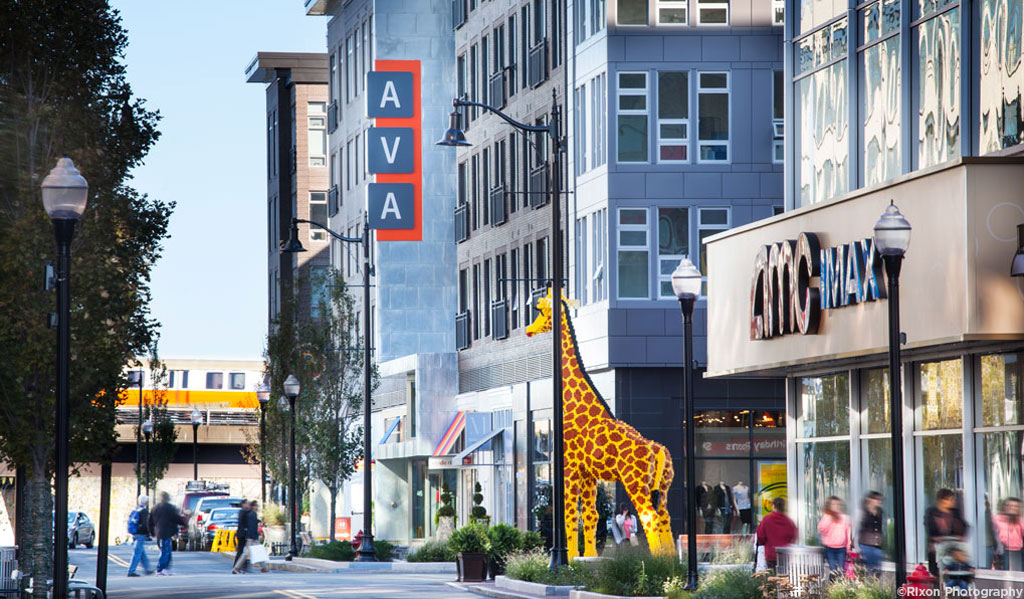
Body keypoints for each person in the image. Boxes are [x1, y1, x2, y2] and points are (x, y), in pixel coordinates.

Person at [925, 489, 968, 576]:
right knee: (937, 564)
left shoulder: (955, 513)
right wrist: (935, 539)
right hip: (938, 547)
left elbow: (964, 527)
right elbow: (930, 528)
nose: (953, 502)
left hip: (953, 548)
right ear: (942, 500)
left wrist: (960, 537)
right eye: (951, 499)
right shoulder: (932, 512)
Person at [149, 491, 186, 576]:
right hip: (166, 532)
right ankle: (160, 569)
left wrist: (152, 532)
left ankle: (166, 568)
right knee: (165, 551)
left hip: (159, 532)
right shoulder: (170, 508)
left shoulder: (155, 508)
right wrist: (184, 525)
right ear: (167, 498)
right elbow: (177, 518)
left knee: (167, 551)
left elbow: (150, 521)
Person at [756, 497, 798, 572]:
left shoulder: (766, 519)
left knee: (772, 574)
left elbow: (760, 537)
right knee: (785, 574)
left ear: (773, 506)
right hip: (786, 554)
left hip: (771, 554)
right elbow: (793, 536)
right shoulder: (788, 521)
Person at [817, 496, 852, 578]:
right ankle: (832, 584)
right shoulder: (827, 517)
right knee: (833, 569)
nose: (836, 506)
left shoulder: (844, 518)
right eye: (833, 504)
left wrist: (848, 546)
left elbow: (848, 532)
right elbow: (821, 528)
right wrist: (829, 518)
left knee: (841, 569)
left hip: (841, 548)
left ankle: (840, 584)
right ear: (829, 506)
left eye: (837, 504)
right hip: (830, 548)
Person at [234, 500, 265, 573]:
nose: (257, 507)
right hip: (251, 537)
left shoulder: (249, 513)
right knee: (247, 553)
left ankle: (263, 567)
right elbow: (251, 526)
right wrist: (253, 537)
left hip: (250, 536)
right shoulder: (251, 514)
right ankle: (237, 567)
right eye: (256, 506)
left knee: (252, 552)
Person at [858, 491, 885, 576]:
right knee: (869, 568)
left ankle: (875, 582)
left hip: (877, 545)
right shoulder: (863, 512)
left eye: (880, 500)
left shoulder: (880, 512)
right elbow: (858, 526)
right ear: (870, 500)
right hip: (866, 544)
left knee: (877, 570)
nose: (879, 502)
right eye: (877, 499)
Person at [126, 495, 154, 577]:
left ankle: (147, 569)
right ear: (146, 502)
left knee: (141, 552)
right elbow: (146, 524)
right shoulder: (144, 511)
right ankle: (131, 571)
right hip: (141, 534)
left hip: (135, 533)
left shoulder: (136, 509)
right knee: (137, 552)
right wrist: (149, 533)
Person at [993, 497, 1023, 571]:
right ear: (1004, 507)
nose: (1013, 508)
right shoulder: (997, 519)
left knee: (1017, 574)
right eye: (1010, 506)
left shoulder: (1021, 520)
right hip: (1002, 552)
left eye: (1016, 506)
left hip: (1017, 552)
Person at [231, 500, 250, 573]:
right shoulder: (243, 512)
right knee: (241, 551)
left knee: (243, 551)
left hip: (242, 534)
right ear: (243, 504)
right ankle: (238, 566)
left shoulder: (243, 512)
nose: (248, 505)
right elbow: (243, 523)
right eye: (247, 504)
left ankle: (241, 566)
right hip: (242, 534)